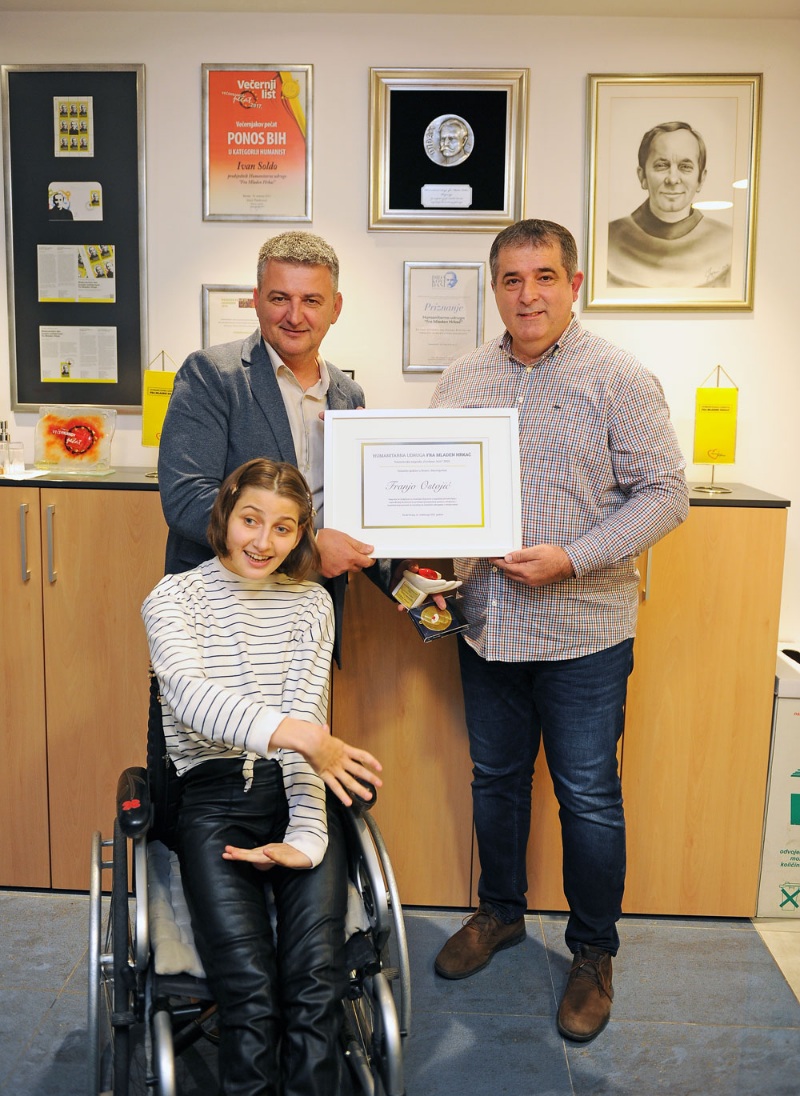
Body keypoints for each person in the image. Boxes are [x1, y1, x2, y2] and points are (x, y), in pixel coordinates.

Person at [430, 219, 688, 1042]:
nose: (528, 294)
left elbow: (666, 493)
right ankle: (501, 912)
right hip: (488, 627)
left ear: (574, 284)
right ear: (495, 289)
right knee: (496, 781)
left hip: (585, 633)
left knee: (588, 798)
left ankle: (593, 952)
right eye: (511, 279)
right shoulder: (462, 378)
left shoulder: (619, 377)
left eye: (544, 276)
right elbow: (437, 488)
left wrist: (572, 558)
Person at [143, 458, 382, 1095]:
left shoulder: (310, 603)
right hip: (213, 800)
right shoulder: (174, 599)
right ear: (225, 515)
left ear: (301, 534)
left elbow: (310, 735)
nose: (263, 541)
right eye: (251, 519)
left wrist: (304, 837)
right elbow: (191, 700)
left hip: (295, 790)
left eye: (283, 527)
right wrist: (303, 736)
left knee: (316, 988)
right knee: (248, 993)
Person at [158, 230, 378, 657]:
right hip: (220, 621)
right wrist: (309, 545)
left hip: (309, 622)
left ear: (335, 308)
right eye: (280, 298)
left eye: (311, 300)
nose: (295, 315)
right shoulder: (211, 375)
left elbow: (355, 514)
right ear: (256, 300)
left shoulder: (348, 395)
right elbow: (186, 500)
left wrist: (406, 576)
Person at [607, 120, 732, 288]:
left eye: (685, 167)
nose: (672, 179)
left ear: (701, 179)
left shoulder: (728, 242)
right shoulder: (608, 239)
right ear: (642, 176)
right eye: (661, 166)